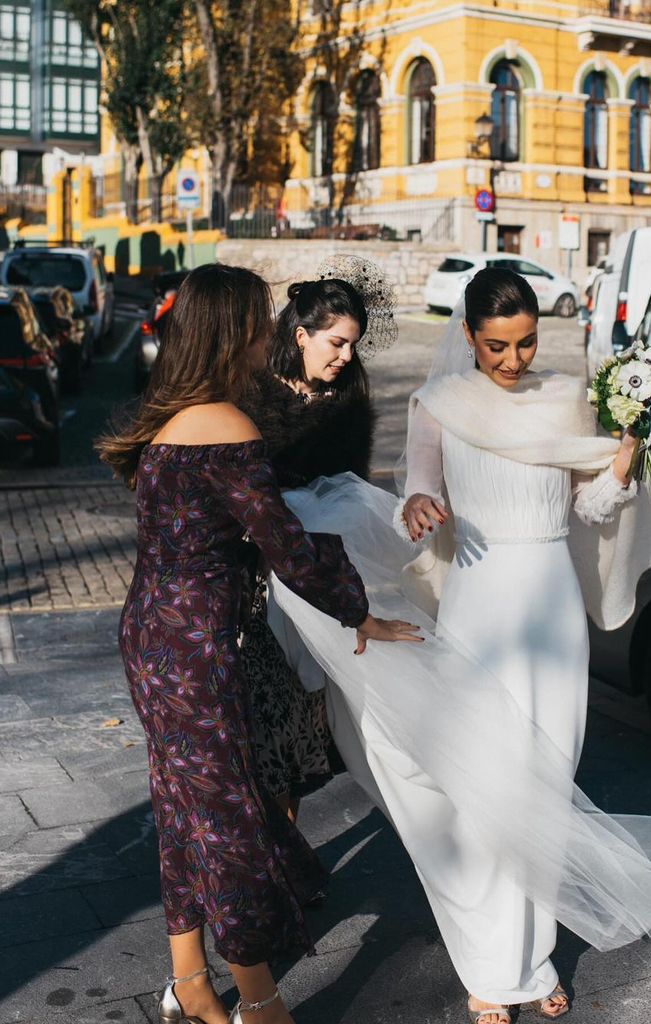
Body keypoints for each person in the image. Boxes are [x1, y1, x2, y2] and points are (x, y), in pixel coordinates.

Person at [260, 267, 651, 1024]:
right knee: (483, 792)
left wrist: (623, 461)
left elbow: (592, 505)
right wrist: (419, 507)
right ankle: (496, 967)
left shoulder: (566, 397)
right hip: (478, 604)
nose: (512, 359)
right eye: (496, 345)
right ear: (467, 336)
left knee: (545, 779)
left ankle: (532, 962)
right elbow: (411, 498)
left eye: (526, 342)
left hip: (550, 609)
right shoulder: (436, 403)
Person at [96, 263, 419, 1024]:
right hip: (199, 647)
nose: (265, 332)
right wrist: (358, 612)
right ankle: (261, 1001)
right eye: (257, 318)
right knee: (232, 826)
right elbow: (289, 549)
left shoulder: (165, 420)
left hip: (148, 635)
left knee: (182, 808)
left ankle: (189, 982)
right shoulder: (228, 427)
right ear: (232, 328)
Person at [238, 276, 377, 823]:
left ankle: (287, 852)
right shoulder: (248, 394)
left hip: (314, 578)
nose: (347, 357)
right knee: (262, 723)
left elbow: (354, 492)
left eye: (354, 345)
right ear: (300, 335)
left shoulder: (349, 404)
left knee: (299, 720)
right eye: (336, 343)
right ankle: (278, 858)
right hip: (249, 580)